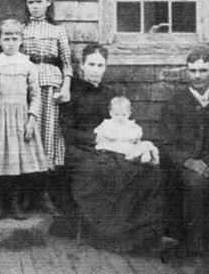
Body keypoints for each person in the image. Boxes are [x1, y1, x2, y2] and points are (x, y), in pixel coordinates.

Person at [60, 44, 164, 253]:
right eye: (91, 64)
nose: (96, 69)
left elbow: (124, 124)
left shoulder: (111, 94)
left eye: (100, 65)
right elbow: (67, 131)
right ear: (82, 65)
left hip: (115, 147)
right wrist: (96, 137)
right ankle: (111, 236)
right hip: (83, 149)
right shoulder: (71, 92)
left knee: (148, 173)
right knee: (103, 172)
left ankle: (142, 234)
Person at [0, 19, 47, 220]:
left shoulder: (28, 64)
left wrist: (31, 119)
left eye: (15, 38)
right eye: (7, 38)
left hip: (20, 118)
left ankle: (14, 202)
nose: (11, 42)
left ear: (21, 40)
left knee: (16, 161)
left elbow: (36, 95)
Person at [160, 49, 209, 256]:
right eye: (193, 71)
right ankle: (195, 252)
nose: (198, 76)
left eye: (203, 70)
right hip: (192, 165)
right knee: (195, 185)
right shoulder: (174, 105)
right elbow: (167, 143)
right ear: (187, 73)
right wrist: (189, 162)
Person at [21, 0, 72, 215]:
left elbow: (67, 63)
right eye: (30, 2)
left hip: (51, 85)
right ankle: (26, 194)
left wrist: (66, 87)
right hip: (27, 85)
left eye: (39, 2)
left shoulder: (57, 30)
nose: (34, 6)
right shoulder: (21, 29)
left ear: (48, 3)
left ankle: (44, 194)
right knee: (28, 135)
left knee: (48, 136)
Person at [95, 96, 159, 164]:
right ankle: (139, 156)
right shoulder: (107, 124)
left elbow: (137, 140)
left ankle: (146, 155)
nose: (120, 117)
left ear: (129, 114)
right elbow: (99, 138)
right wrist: (103, 141)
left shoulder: (131, 126)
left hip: (128, 146)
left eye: (123, 115)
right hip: (113, 145)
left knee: (146, 144)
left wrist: (137, 143)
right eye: (116, 114)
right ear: (111, 113)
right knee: (107, 147)